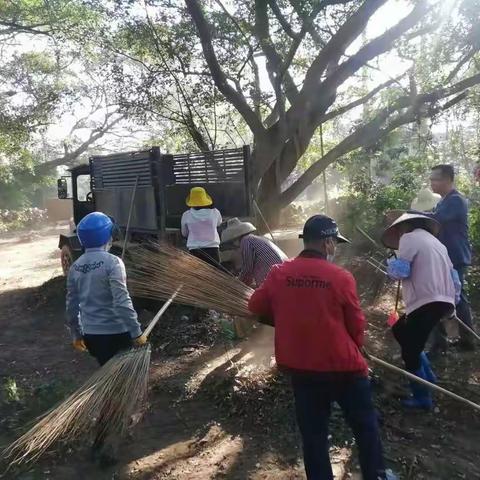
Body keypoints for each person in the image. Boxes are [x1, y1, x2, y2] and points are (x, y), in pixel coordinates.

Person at [248, 215, 397, 480]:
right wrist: (358, 346)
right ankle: (376, 475)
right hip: (344, 368)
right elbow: (356, 322)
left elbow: (255, 307)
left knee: (314, 436)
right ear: (328, 243)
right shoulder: (340, 277)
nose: (335, 248)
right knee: (365, 427)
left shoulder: (279, 273)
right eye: (335, 243)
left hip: (302, 369)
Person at [66, 211, 146, 466]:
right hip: (117, 333)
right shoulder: (113, 262)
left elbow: (71, 305)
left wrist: (77, 333)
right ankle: (108, 442)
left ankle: (105, 434)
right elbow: (122, 302)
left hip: (93, 337)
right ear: (108, 235)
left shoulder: (76, 266)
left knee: (112, 380)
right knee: (120, 388)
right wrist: (136, 332)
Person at [382, 213, 460, 409]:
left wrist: (390, 264)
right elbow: (455, 277)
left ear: (405, 227)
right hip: (442, 300)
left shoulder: (409, 238)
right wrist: (453, 303)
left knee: (410, 351)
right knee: (399, 329)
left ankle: (422, 396)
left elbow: (400, 272)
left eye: (399, 230)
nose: (399, 235)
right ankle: (428, 377)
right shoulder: (437, 244)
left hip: (426, 300)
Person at [424, 164, 475, 352]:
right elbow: (433, 216)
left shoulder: (456, 201)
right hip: (445, 257)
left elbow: (435, 219)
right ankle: (442, 342)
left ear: (447, 180)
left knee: (457, 298)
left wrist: (410, 216)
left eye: (435, 179)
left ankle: (467, 340)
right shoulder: (444, 200)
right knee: (440, 297)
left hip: (454, 257)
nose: (432, 182)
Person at [221, 217, 287, 287]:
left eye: (232, 242)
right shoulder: (256, 239)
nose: (234, 245)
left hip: (274, 277)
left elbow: (248, 267)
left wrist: (238, 283)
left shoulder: (246, 241)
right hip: (284, 272)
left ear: (236, 238)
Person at [181, 186, 222, 267]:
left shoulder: (186, 215)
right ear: (205, 198)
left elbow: (184, 233)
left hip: (195, 251)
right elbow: (218, 224)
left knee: (197, 277)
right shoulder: (215, 212)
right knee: (214, 276)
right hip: (213, 249)